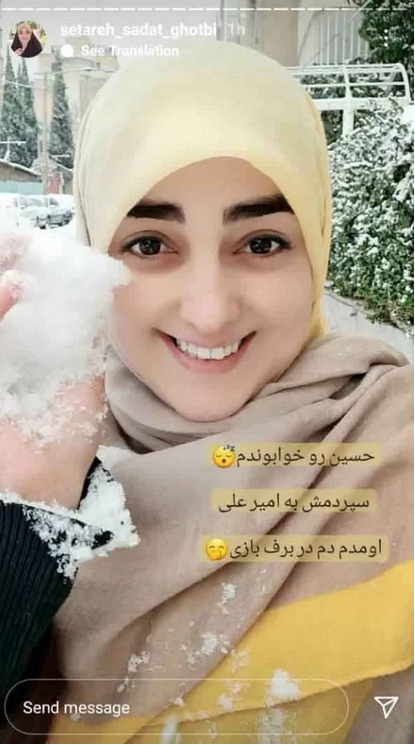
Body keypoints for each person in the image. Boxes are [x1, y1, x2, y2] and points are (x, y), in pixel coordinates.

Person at [0, 39, 413, 744]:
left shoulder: (395, 452)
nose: (209, 312)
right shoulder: (24, 449)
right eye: (149, 244)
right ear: (91, 254)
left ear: (315, 246)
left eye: (261, 243)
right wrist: (29, 517)